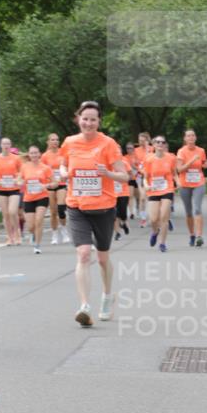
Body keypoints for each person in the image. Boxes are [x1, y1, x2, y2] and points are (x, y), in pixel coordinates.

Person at [60, 101, 128, 325]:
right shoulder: (69, 142)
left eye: (93, 119)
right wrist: (63, 173)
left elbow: (124, 176)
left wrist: (107, 172)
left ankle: (107, 296)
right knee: (83, 254)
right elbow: (63, 165)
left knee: (102, 258)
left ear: (99, 122)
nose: (88, 123)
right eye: (85, 118)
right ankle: (85, 307)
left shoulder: (108, 144)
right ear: (78, 119)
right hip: (77, 206)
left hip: (104, 208)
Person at [142, 136, 177, 253]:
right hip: (153, 190)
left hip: (167, 189)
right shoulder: (148, 159)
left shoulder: (171, 158)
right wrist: (146, 185)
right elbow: (145, 178)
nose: (160, 144)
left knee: (164, 217)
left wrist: (179, 181)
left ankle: (162, 243)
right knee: (153, 219)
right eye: (158, 142)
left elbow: (174, 173)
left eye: (163, 142)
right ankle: (155, 231)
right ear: (154, 144)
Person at [175, 130, 207, 246]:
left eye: (193, 135)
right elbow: (179, 169)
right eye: (188, 136)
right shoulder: (181, 151)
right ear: (185, 139)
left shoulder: (201, 150)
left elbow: (205, 162)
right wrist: (191, 161)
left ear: (195, 138)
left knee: (197, 209)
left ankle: (199, 236)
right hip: (185, 184)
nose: (191, 137)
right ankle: (192, 234)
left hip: (199, 183)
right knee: (189, 212)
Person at [20, 145, 54, 254]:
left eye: (36, 153)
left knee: (39, 220)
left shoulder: (45, 168)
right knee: (30, 226)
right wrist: (19, 182)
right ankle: (32, 234)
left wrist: (46, 185)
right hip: (28, 198)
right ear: (29, 155)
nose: (34, 155)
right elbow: (19, 179)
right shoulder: (25, 167)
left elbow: (55, 182)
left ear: (39, 154)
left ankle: (37, 245)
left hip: (42, 197)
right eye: (32, 153)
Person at [41, 133, 70, 244]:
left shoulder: (63, 154)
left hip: (62, 185)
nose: (55, 142)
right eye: (52, 140)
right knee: (53, 212)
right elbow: (42, 172)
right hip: (50, 186)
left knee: (61, 209)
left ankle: (63, 230)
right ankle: (54, 234)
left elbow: (68, 166)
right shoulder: (45, 156)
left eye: (57, 140)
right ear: (48, 142)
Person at [0, 137, 22, 245]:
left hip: (14, 188)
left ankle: (17, 233)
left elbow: (21, 173)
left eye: (8, 144)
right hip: (1, 189)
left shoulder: (16, 158)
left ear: (10, 145)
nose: (6, 146)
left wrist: (17, 180)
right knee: (6, 214)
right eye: (4, 144)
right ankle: (9, 237)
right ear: (0, 145)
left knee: (12, 211)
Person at [133, 132, 153, 226]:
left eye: (143, 140)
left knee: (151, 198)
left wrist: (147, 149)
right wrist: (139, 169)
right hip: (140, 176)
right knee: (142, 198)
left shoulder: (152, 149)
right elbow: (134, 163)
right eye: (139, 140)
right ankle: (143, 218)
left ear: (147, 140)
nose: (140, 142)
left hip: (151, 176)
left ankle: (153, 217)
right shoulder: (136, 150)